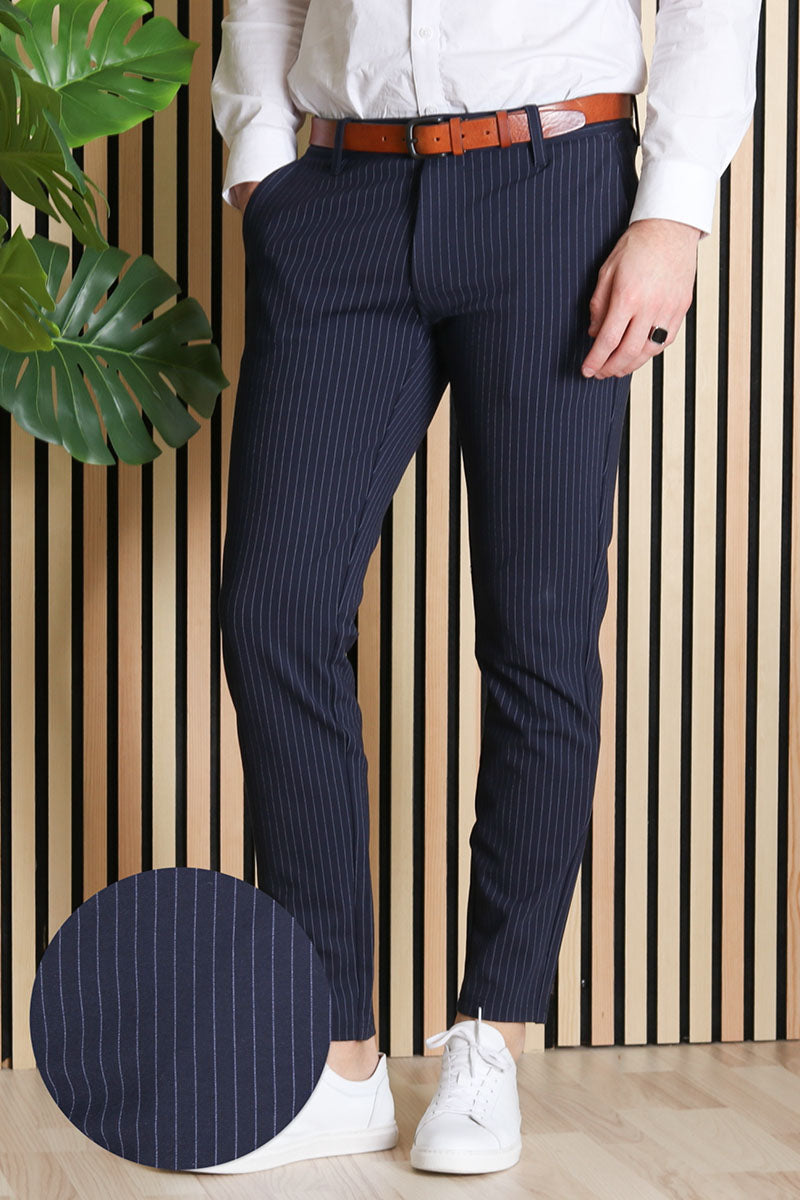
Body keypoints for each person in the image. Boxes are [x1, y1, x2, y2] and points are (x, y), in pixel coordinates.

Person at [207, 0, 762, 1177]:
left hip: (552, 183)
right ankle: (334, 1063)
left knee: (536, 630)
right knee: (273, 613)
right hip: (338, 196)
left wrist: (671, 213)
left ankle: (491, 1037)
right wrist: (260, 163)